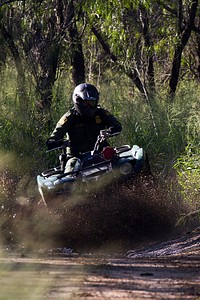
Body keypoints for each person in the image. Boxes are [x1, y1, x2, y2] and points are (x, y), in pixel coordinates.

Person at [46, 83, 122, 173]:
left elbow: (117, 125)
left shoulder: (101, 113)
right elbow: (54, 137)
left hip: (101, 152)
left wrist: (109, 131)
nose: (89, 106)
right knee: (71, 170)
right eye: (86, 103)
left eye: (92, 103)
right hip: (76, 156)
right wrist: (58, 142)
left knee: (121, 164)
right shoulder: (69, 117)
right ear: (78, 101)